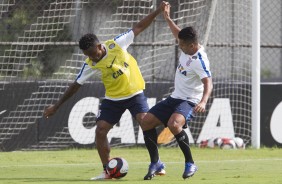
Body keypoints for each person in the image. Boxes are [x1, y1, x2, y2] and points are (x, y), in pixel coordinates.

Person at [43, 1, 169, 180]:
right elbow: (75, 85)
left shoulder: (117, 44)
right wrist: (56, 106)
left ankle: (156, 163)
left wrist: (158, 10)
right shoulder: (90, 63)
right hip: (113, 99)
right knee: (100, 131)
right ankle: (107, 170)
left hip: (134, 94)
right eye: (88, 56)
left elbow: (139, 26)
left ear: (100, 46)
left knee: (145, 122)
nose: (93, 58)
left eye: (94, 53)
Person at [141, 3, 213, 180]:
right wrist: (167, 18)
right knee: (146, 122)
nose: (178, 45)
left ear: (192, 45)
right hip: (175, 97)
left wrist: (203, 102)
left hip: (189, 100)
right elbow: (177, 33)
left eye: (181, 45)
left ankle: (190, 163)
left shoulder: (200, 61)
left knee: (174, 125)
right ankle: (156, 163)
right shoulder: (186, 45)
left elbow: (208, 83)